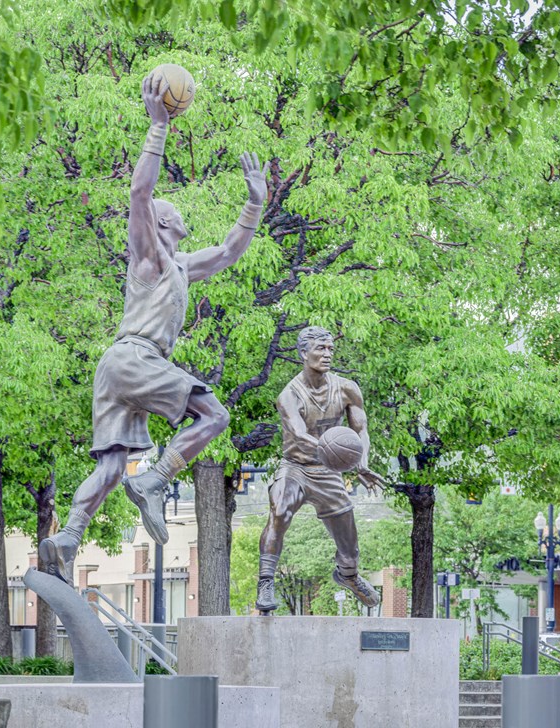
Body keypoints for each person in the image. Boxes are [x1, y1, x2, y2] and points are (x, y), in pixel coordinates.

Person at [39, 73, 269, 585]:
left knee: (112, 467)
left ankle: (69, 535)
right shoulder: (149, 257)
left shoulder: (183, 266)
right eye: (173, 212)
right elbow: (139, 191)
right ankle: (157, 482)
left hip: (119, 368)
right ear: (164, 223)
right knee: (214, 415)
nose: (178, 213)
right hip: (136, 358)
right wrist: (157, 128)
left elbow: (231, 251)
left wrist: (254, 203)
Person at [256, 326, 386, 613]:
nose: (327, 354)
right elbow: (300, 435)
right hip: (296, 467)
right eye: (320, 349)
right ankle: (266, 580)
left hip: (328, 472)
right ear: (303, 353)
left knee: (349, 545)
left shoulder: (347, 388)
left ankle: (348, 576)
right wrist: (339, 455)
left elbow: (361, 430)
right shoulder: (289, 395)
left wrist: (360, 460)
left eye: (330, 349)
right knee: (280, 509)